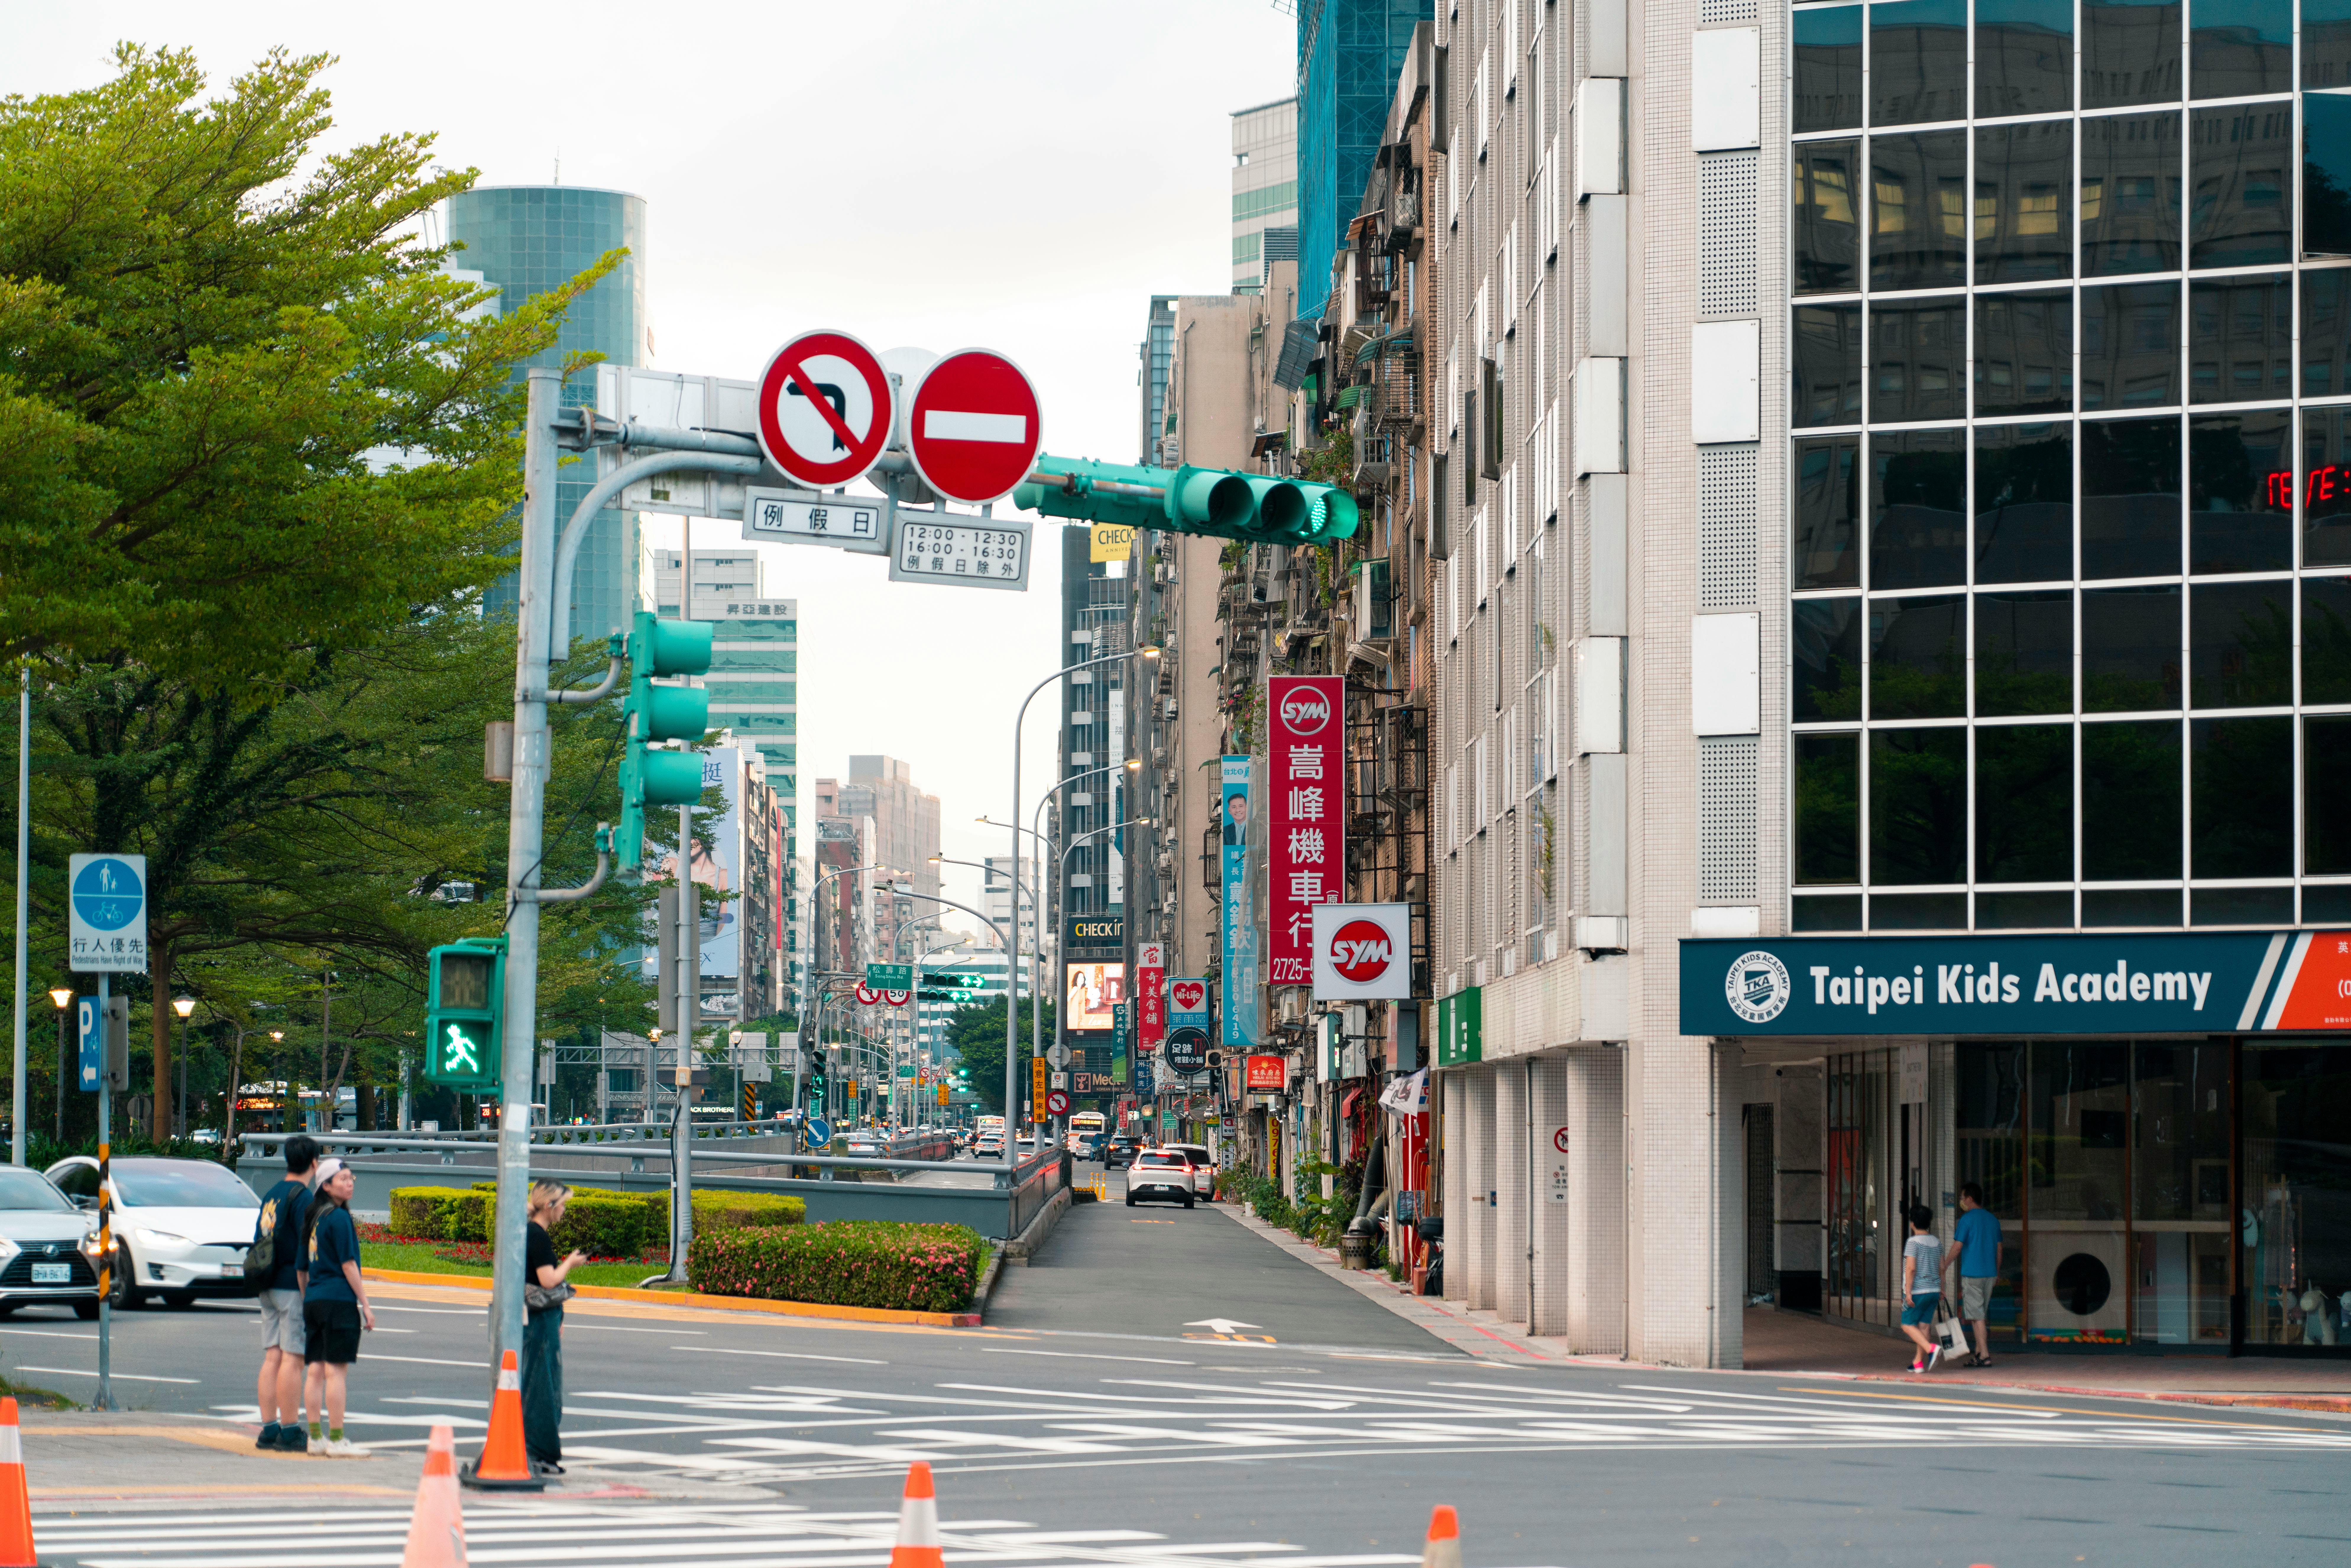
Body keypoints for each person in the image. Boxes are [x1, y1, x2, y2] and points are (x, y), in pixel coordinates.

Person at [298, 1158, 374, 1456]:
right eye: (342, 1179)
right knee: (336, 1372)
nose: (349, 1183)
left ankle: (315, 1438)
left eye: (350, 1178)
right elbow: (349, 1265)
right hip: (338, 1300)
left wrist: (309, 1298)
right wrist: (366, 1304)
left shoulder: (313, 1217)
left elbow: (301, 1270)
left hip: (315, 1299)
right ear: (326, 1186)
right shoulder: (340, 1219)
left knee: (316, 1370)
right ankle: (337, 1439)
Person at [252, 1134, 320, 1453]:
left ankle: (269, 1428)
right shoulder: (304, 1198)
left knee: (272, 1356)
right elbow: (308, 1250)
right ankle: (290, 1431)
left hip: (266, 1283)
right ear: (314, 1164)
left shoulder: (272, 1194)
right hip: (292, 1286)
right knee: (294, 1359)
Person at [521, 1181, 587, 1476]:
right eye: (562, 1204)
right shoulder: (538, 1237)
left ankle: (537, 1450)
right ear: (549, 1206)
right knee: (543, 1386)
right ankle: (540, 1452)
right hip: (539, 1321)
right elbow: (548, 1281)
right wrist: (571, 1263)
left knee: (539, 1382)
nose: (564, 1210)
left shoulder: (532, 1233)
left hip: (537, 1319)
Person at [1945, 1182, 2003, 1368]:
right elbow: (1999, 1249)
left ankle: (1985, 1355)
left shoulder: (1967, 1220)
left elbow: (1958, 1246)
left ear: (1969, 1199)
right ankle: (1979, 1353)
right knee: (1981, 1316)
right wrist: (1998, 1272)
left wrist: (1945, 1265)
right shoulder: (1993, 1220)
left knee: (1977, 1317)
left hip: (1972, 1274)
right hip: (1990, 1274)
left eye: (1962, 1198)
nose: (1962, 1201)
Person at [1898, 1203, 1946, 1373]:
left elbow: (1911, 1269)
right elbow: (1942, 1268)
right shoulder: (1937, 1242)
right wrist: (1942, 1288)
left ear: (1912, 1223)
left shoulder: (1913, 1243)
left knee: (1907, 1325)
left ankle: (1931, 1348)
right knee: (1924, 1326)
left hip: (1918, 1291)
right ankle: (1918, 1363)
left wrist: (1908, 1292)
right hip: (1934, 1290)